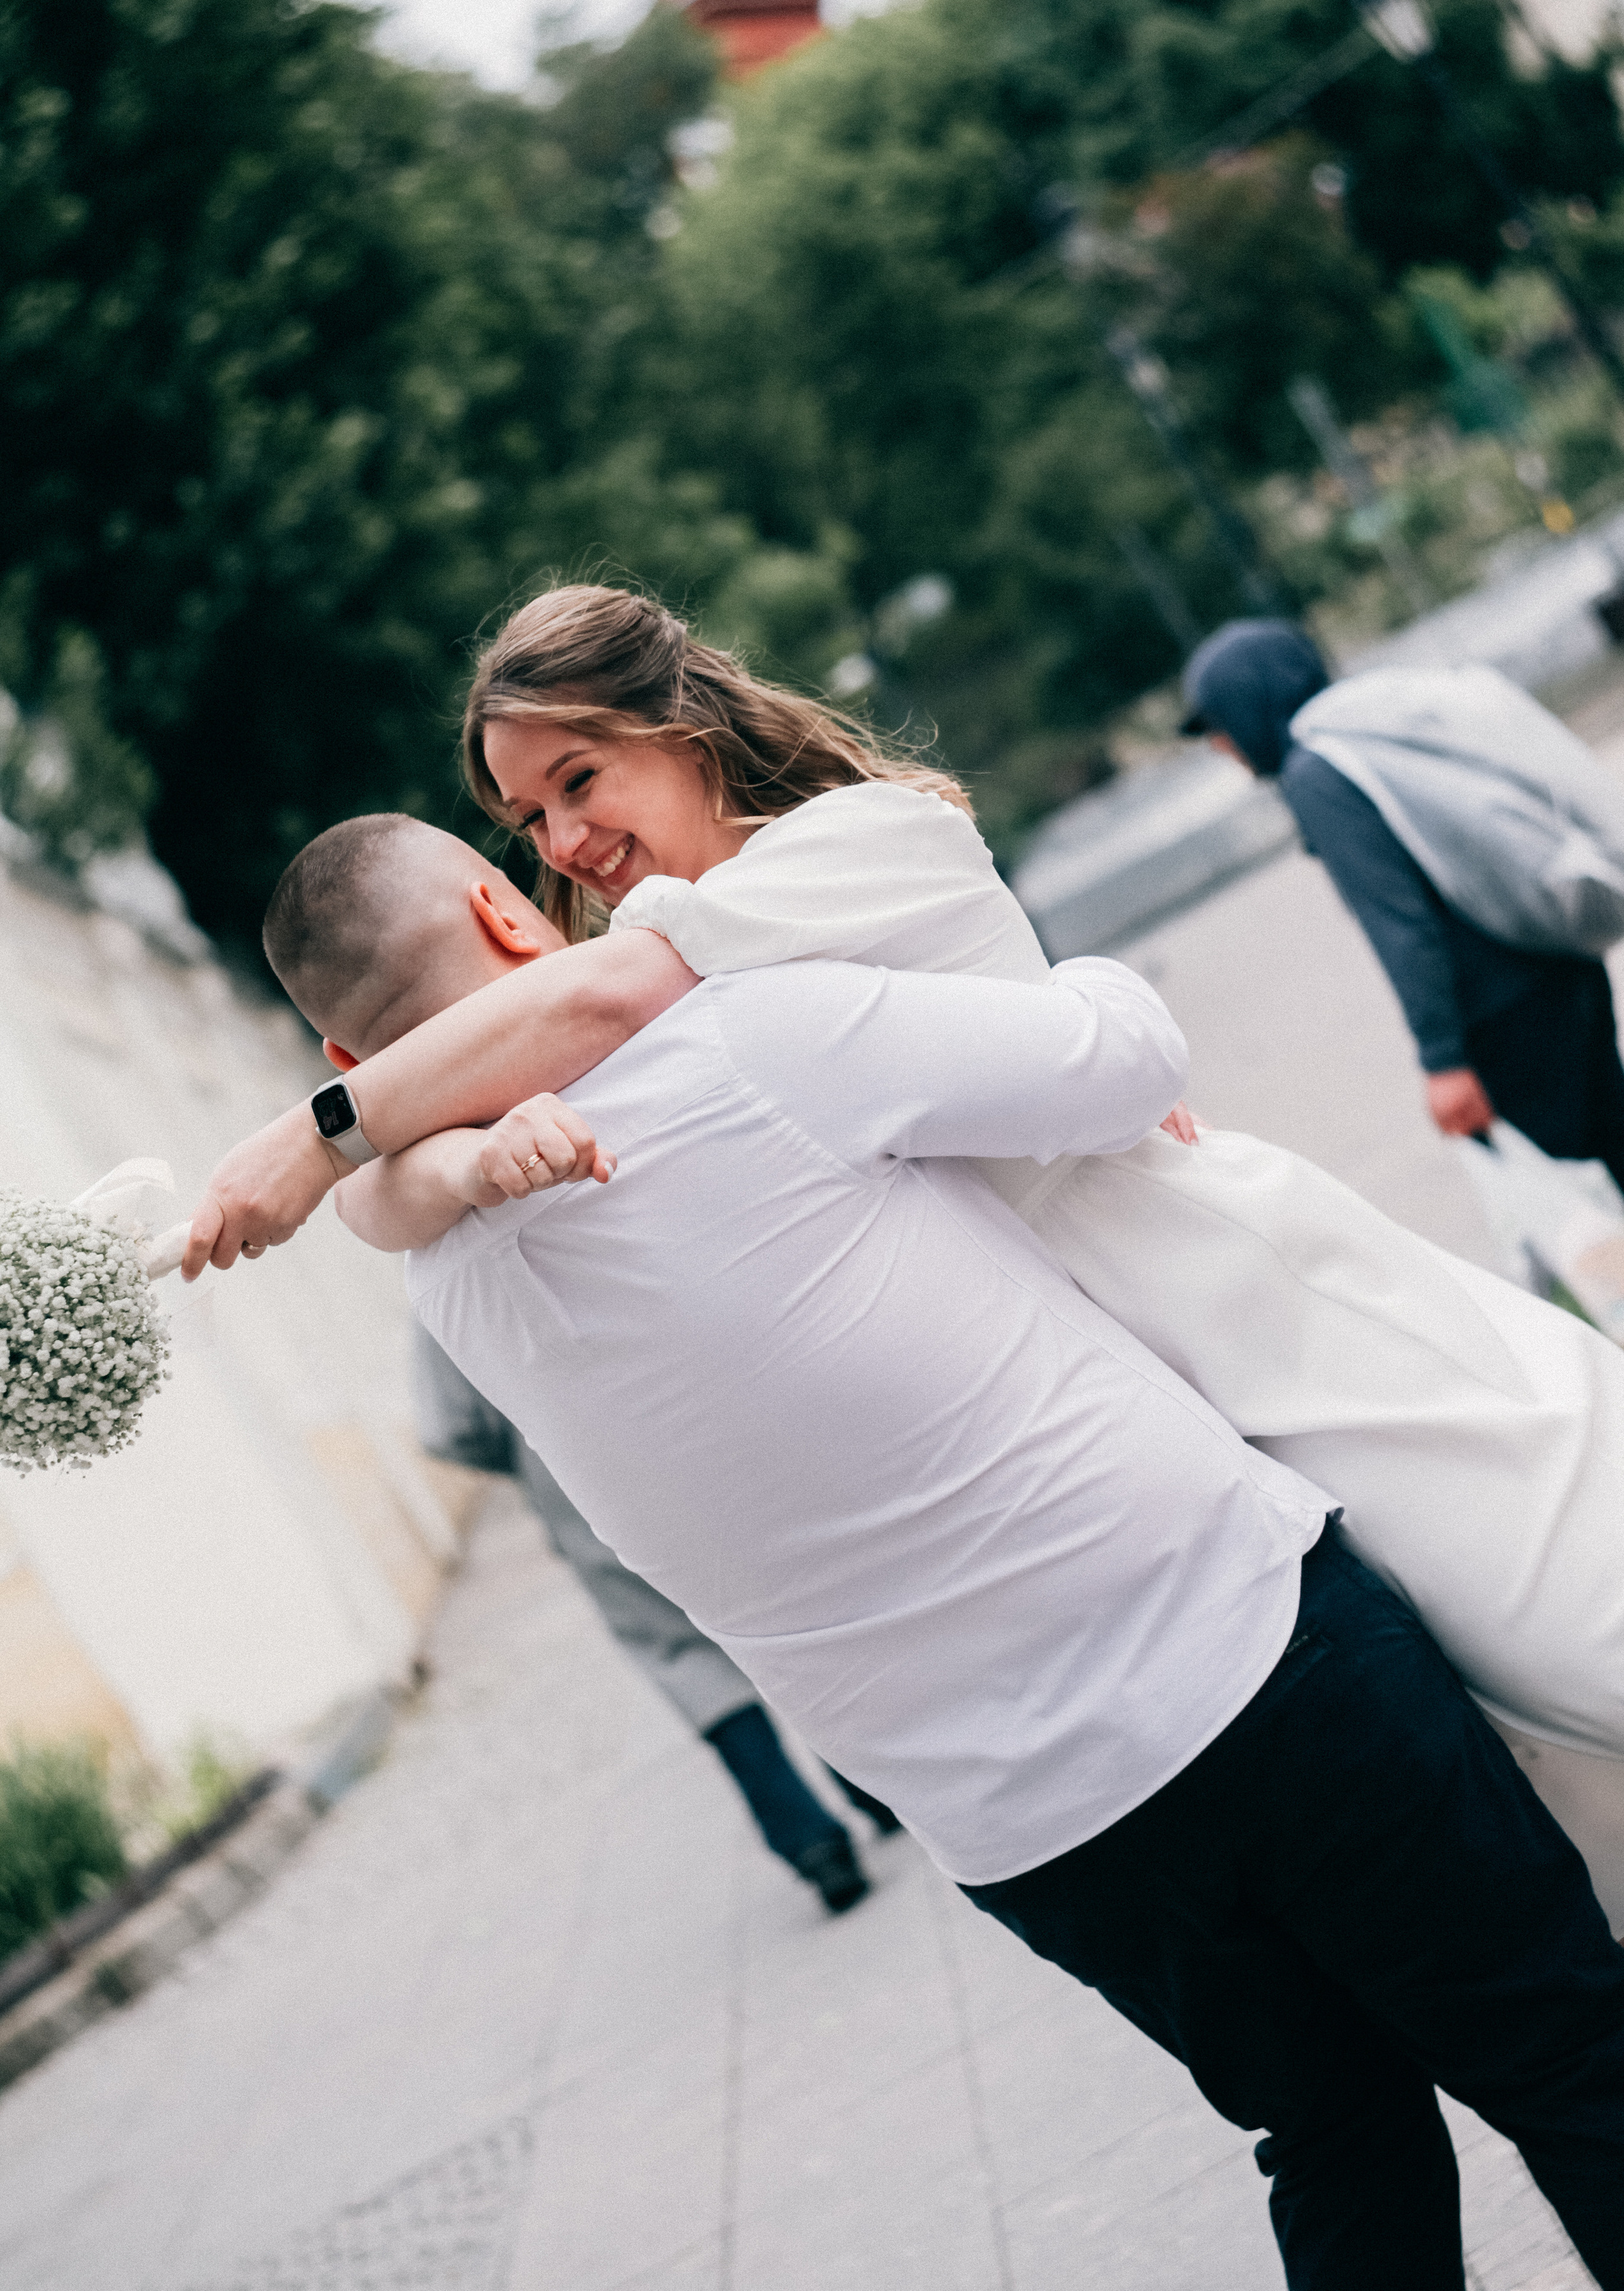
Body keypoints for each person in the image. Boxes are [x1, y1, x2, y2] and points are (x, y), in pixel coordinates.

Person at [265, 811, 1624, 2288]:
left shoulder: (444, 1282)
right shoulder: (742, 1042)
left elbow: (379, 1188)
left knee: (1332, 2138)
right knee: (1567, 2051)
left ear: (352, 1068)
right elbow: (1115, 1056)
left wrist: (413, 1148)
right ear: (505, 911)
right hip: (1244, 1656)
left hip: (1025, 1825)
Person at [206, 585, 1624, 1926]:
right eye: (526, 818)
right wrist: (410, 1164)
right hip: (1111, 1367)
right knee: (1528, 1762)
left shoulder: (819, 860)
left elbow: (595, 1005)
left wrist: (314, 1130)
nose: (562, 842)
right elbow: (408, 1194)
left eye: (580, 780)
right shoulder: (653, 968)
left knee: (1554, 1615)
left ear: (679, 723)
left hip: (1202, 1291)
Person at [412, 1320, 895, 1914]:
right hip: (677, 1423)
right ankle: (881, 1787)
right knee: (770, 1612)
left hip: (560, 1465)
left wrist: (521, 1446)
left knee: (677, 1650)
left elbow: (450, 1428)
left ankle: (813, 1843)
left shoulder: (434, 1266)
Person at [1179, 616, 1624, 1180]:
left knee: (1604, 1144)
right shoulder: (1360, 726)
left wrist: (1444, 1063)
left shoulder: (1314, 774)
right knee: (1613, 1126)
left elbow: (1400, 924)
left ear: (1251, 706)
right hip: (1551, 952)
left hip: (1503, 1007)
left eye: (1218, 724)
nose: (1219, 745)